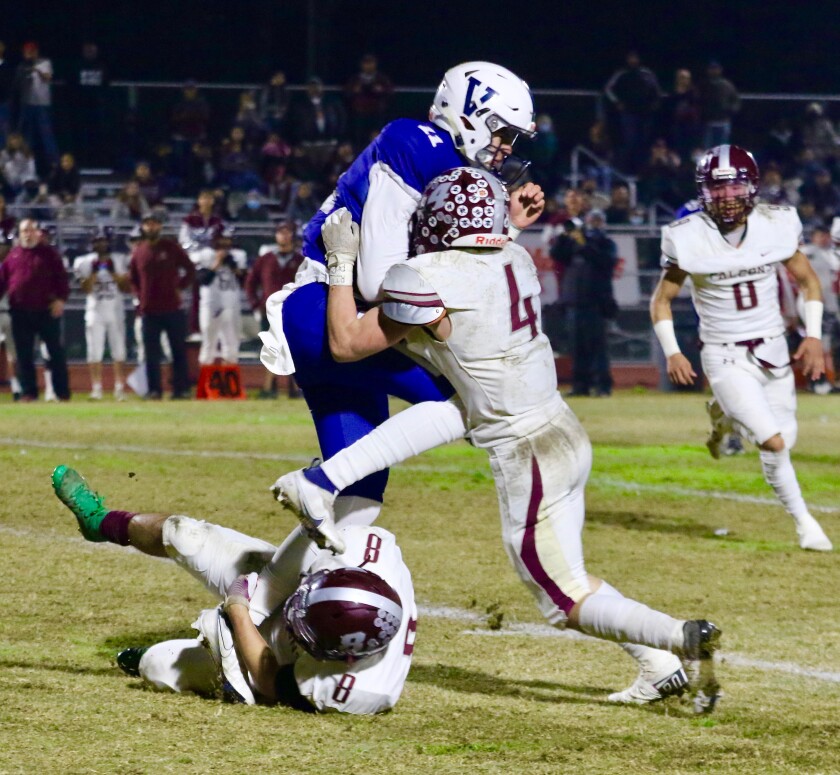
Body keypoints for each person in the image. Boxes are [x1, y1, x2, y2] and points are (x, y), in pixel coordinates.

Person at [274, 170, 722, 713]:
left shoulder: (425, 275)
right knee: (459, 416)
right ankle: (659, 666)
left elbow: (346, 344)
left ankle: (682, 636)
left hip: (526, 451)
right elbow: (472, 271)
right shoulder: (518, 259)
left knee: (563, 599)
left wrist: (343, 263)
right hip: (560, 429)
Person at [258, 61, 544, 532]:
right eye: (502, 132)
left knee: (358, 502)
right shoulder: (417, 143)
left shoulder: (452, 167)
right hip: (329, 307)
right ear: (469, 113)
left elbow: (447, 270)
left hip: (347, 314)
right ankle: (319, 480)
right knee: (472, 400)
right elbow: (379, 281)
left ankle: (254, 597)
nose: (506, 147)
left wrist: (508, 226)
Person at [50, 465, 416, 714]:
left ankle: (159, 657)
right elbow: (275, 581)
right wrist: (242, 608)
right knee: (184, 535)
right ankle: (101, 522)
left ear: (339, 657)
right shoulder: (354, 546)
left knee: (158, 664)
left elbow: (271, 681)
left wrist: (237, 620)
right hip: (293, 584)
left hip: (283, 659)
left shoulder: (357, 689)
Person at [650, 145, 832, 552]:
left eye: (735, 186)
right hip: (724, 353)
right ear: (704, 192)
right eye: (718, 188)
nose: (727, 196)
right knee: (773, 442)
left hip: (773, 349)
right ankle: (805, 524)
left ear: (752, 186)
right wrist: (673, 351)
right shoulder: (687, 235)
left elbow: (809, 282)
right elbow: (661, 300)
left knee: (787, 437)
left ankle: (722, 418)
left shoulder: (777, 223)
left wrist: (814, 334)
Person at [0, 218, 70, 401]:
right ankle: (29, 393)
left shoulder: (50, 255)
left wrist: (61, 300)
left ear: (38, 233)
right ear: (19, 234)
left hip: (46, 310)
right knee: (24, 355)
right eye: (24, 231)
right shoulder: (12, 256)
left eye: (31, 230)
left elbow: (62, 279)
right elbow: (2, 282)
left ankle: (61, 393)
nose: (28, 234)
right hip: (20, 311)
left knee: (55, 353)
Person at [551, 208, 619, 396]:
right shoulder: (574, 244)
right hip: (574, 302)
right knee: (577, 347)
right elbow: (556, 254)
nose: (594, 224)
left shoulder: (607, 243)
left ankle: (602, 386)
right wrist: (565, 236)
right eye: (591, 220)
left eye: (597, 220)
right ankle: (580, 386)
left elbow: (605, 262)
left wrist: (584, 244)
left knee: (597, 347)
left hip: (596, 303)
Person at [129, 212, 195, 400]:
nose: (151, 227)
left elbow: (189, 268)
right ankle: (154, 390)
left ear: (160, 226)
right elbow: (133, 278)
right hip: (149, 311)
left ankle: (180, 389)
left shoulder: (171, 247)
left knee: (177, 351)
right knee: (151, 355)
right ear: (143, 227)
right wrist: (139, 297)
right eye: (148, 224)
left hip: (172, 308)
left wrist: (180, 287)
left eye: (155, 224)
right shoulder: (139, 251)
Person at [245, 220, 303, 398]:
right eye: (280, 232)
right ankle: (269, 387)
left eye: (287, 232)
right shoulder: (266, 259)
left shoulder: (300, 260)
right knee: (272, 348)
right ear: (276, 235)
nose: (284, 236)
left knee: (294, 349)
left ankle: (294, 388)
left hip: (293, 312)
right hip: (270, 312)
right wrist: (256, 304)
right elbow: (250, 283)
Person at [73, 226, 130, 400]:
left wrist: (113, 273)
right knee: (94, 351)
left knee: (119, 351)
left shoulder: (120, 259)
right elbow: (86, 288)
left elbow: (125, 287)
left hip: (116, 309)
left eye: (104, 240)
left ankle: (119, 387)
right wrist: (94, 272)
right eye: (98, 240)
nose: (101, 244)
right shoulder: (84, 261)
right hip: (95, 310)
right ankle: (96, 388)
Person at [192, 227, 247, 365]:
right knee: (208, 344)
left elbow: (245, 280)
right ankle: (206, 383)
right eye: (221, 239)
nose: (224, 243)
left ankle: (227, 384)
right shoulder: (205, 254)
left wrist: (233, 266)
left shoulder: (238, 255)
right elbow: (203, 279)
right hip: (211, 303)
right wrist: (217, 262)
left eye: (227, 239)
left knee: (232, 345)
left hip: (232, 304)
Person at [603, 51, 662, 173]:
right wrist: (617, 102)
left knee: (644, 143)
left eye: (635, 58)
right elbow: (608, 89)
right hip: (629, 113)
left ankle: (642, 171)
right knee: (630, 142)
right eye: (631, 58)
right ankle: (627, 170)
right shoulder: (622, 74)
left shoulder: (647, 73)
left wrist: (654, 104)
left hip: (645, 114)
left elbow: (657, 91)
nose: (633, 60)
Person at [12, 42, 58, 171]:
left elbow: (47, 78)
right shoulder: (22, 66)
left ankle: (54, 164)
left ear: (36, 51)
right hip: (27, 104)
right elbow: (17, 85)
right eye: (27, 52)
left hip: (42, 104)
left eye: (32, 52)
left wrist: (36, 70)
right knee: (27, 136)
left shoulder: (45, 62)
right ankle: (25, 165)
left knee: (46, 135)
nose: (30, 54)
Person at [697, 62, 740, 148]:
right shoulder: (703, 85)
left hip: (723, 122)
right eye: (712, 69)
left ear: (720, 70)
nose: (714, 71)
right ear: (708, 70)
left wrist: (730, 111)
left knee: (722, 150)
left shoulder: (727, 85)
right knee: (708, 150)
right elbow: (697, 101)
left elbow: (736, 101)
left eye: (716, 69)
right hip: (708, 123)